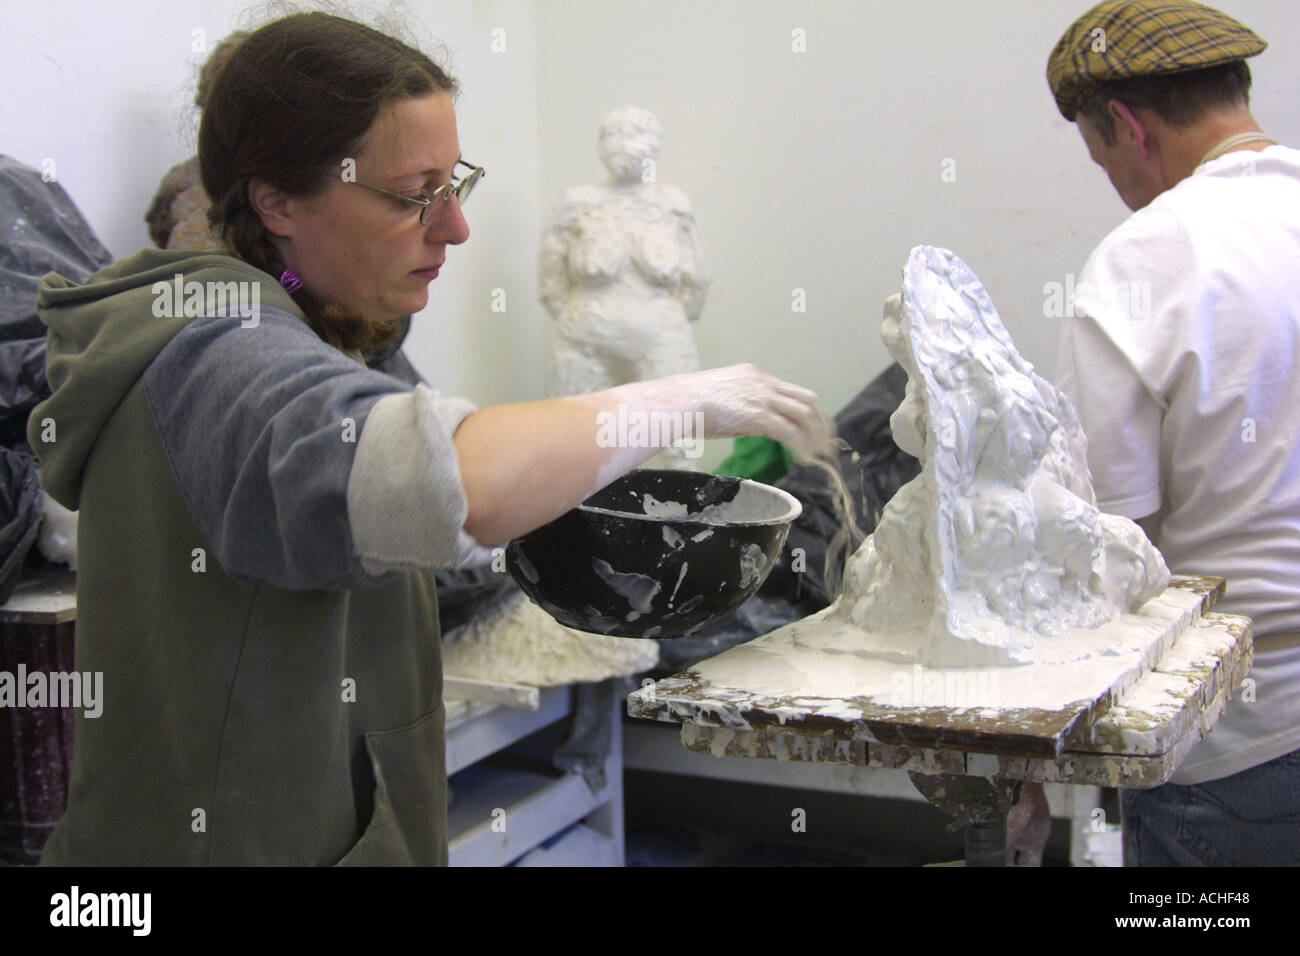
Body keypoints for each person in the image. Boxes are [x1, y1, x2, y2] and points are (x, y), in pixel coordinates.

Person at [28, 12, 828, 866]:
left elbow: (454, 503)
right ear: (277, 201)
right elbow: (444, 477)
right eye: (416, 195)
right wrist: (674, 401)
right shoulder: (220, 354)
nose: (455, 229)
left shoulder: (325, 324)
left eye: (457, 184)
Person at [1048, 0, 1300, 865]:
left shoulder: (1148, 256)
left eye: (1103, 161)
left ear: (1127, 124)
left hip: (1247, 732)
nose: (1116, 184)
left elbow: (1116, 546)